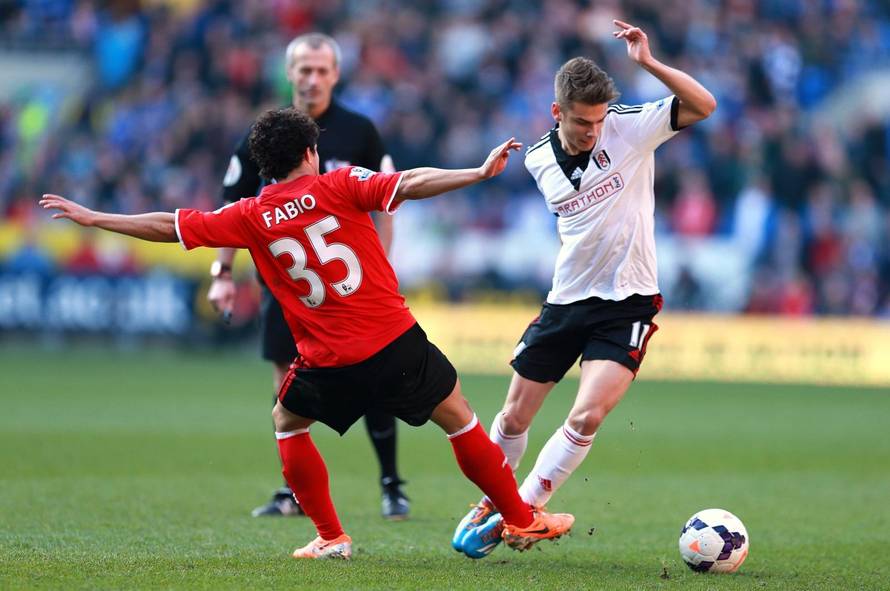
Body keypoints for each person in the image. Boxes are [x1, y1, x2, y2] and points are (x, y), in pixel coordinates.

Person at [40, 107, 575, 560]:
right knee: (459, 419)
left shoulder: (250, 215)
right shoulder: (343, 184)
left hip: (329, 361)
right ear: (311, 153)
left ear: (263, 166)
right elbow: (408, 183)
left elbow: (171, 225)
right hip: (395, 341)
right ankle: (519, 517)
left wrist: (95, 217)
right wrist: (477, 173)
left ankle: (330, 536)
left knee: (287, 421)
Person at [452, 20, 717, 559]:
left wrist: (647, 63)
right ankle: (492, 504)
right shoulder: (536, 160)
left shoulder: (629, 127)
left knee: (587, 415)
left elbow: (704, 105)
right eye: (581, 122)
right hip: (565, 301)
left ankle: (522, 512)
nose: (593, 131)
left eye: (597, 120)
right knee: (511, 419)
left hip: (629, 302)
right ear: (556, 114)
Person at [209, 33, 408, 519]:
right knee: (289, 381)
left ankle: (390, 483)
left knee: (376, 379)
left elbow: (387, 201)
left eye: (322, 70)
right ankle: (293, 493)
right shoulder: (265, 135)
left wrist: (381, 264)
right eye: (304, 69)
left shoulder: (360, 131)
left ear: (336, 74)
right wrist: (223, 271)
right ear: (290, 72)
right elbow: (231, 209)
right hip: (288, 286)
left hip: (351, 286)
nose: (313, 78)